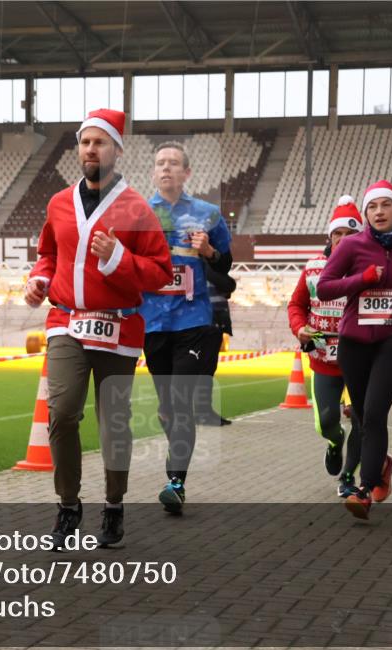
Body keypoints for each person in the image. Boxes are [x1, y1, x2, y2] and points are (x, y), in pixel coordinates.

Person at [24, 109, 172, 548]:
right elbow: (48, 255)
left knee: (114, 425)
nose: (92, 149)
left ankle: (114, 505)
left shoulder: (137, 209)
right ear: (78, 149)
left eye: (100, 142)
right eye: (86, 142)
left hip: (118, 328)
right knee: (63, 411)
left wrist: (118, 259)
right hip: (67, 322)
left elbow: (161, 272)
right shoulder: (57, 204)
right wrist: (39, 279)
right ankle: (68, 506)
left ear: (117, 150)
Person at [316, 180, 392, 520]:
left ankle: (365, 489)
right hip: (354, 343)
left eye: (386, 205)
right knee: (361, 416)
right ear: (366, 213)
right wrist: (363, 279)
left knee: (374, 413)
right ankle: (383, 465)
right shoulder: (352, 246)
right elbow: (325, 288)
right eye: (372, 207)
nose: (379, 212)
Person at [141, 141, 233, 515]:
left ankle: (175, 481)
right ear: (154, 172)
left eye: (174, 163)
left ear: (187, 173)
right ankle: (176, 450)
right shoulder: (139, 213)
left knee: (180, 404)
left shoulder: (208, 213)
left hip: (194, 321)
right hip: (153, 321)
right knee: (167, 409)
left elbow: (225, 265)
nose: (166, 168)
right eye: (160, 163)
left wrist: (209, 252)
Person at [286, 195, 364, 498]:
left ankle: (348, 477)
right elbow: (296, 304)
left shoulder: (369, 270)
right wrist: (300, 328)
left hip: (360, 356)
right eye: (338, 234)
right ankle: (334, 443)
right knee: (326, 422)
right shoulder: (313, 268)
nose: (343, 241)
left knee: (362, 420)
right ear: (329, 237)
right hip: (322, 355)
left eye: (351, 235)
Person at [194, 259, 237, 426]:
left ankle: (203, 410)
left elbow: (227, 286)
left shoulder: (207, 265)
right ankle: (202, 411)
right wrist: (226, 284)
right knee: (205, 368)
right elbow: (226, 284)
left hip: (212, 319)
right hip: (207, 319)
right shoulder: (203, 264)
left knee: (207, 368)